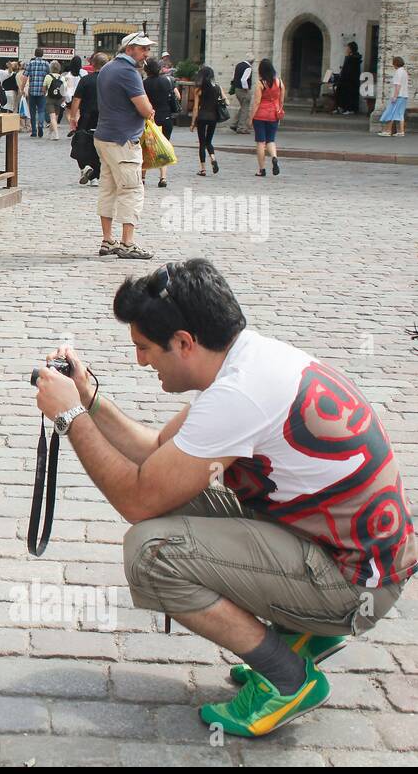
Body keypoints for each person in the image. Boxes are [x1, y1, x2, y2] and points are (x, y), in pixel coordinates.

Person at [32, 258, 414, 738]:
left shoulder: (238, 397)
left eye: (146, 348)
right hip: (354, 557)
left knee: (152, 554)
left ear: (185, 342)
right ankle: (297, 640)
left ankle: (288, 678)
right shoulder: (250, 361)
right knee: (174, 501)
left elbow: (136, 499)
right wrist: (88, 397)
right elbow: (155, 453)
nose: (141, 361)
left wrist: (70, 418)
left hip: (356, 587)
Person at [93, 33, 156, 259]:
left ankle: (107, 239)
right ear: (130, 49)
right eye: (143, 49)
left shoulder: (108, 68)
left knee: (107, 188)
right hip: (123, 139)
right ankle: (127, 243)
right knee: (131, 189)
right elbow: (145, 109)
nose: (146, 54)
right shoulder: (129, 73)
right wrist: (149, 110)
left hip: (104, 136)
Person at [69, 52, 107, 186]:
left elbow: (77, 99)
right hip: (105, 118)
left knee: (79, 143)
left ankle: (86, 167)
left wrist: (73, 117)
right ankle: (95, 176)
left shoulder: (85, 80)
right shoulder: (109, 80)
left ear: (92, 64)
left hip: (87, 117)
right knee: (100, 147)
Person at [143, 57, 179, 188]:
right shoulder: (167, 81)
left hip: (150, 119)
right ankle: (163, 177)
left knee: (146, 147)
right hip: (166, 118)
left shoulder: (144, 83)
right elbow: (178, 97)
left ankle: (142, 177)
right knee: (164, 146)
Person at [251, 58, 285, 176]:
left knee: (260, 142)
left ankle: (262, 169)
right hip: (273, 115)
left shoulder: (260, 83)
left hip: (260, 115)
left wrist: (251, 117)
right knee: (271, 140)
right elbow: (281, 100)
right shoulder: (280, 82)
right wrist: (279, 111)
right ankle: (274, 157)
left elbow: (257, 102)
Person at [189, 64, 222, 178]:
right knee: (209, 141)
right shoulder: (217, 87)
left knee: (202, 143)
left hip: (202, 117)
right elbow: (225, 100)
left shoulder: (199, 89)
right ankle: (213, 158)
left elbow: (195, 107)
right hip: (213, 117)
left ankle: (203, 169)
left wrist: (193, 123)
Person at [377, 56, 408, 137]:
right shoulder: (404, 72)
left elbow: (398, 85)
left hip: (398, 96)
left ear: (395, 64)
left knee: (391, 112)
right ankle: (401, 131)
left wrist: (395, 96)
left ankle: (388, 130)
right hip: (404, 95)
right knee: (400, 114)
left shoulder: (398, 72)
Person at [24, 47, 51, 137]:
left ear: (35, 54)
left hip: (32, 91)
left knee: (32, 111)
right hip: (42, 91)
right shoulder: (46, 64)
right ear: (42, 54)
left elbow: (25, 76)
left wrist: (22, 87)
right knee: (41, 110)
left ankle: (34, 131)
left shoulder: (30, 63)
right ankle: (40, 125)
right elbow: (49, 76)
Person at [335, 42, 362, 115]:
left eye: (348, 48)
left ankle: (350, 109)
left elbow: (348, 69)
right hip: (346, 80)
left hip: (351, 80)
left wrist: (347, 57)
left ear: (351, 49)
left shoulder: (353, 58)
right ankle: (342, 107)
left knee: (350, 95)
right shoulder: (350, 57)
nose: (346, 49)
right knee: (342, 93)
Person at [229, 57, 254, 135]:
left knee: (243, 107)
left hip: (237, 88)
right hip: (243, 90)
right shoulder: (248, 68)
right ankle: (241, 127)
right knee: (245, 109)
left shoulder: (238, 65)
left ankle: (234, 124)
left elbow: (233, 77)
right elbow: (244, 79)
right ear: (252, 61)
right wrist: (246, 88)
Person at [43, 60, 64, 140]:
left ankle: (56, 134)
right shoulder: (62, 77)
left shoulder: (48, 77)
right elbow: (64, 89)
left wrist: (45, 93)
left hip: (50, 98)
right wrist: (63, 99)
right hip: (59, 99)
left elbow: (44, 89)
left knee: (52, 118)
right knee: (55, 117)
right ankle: (50, 133)